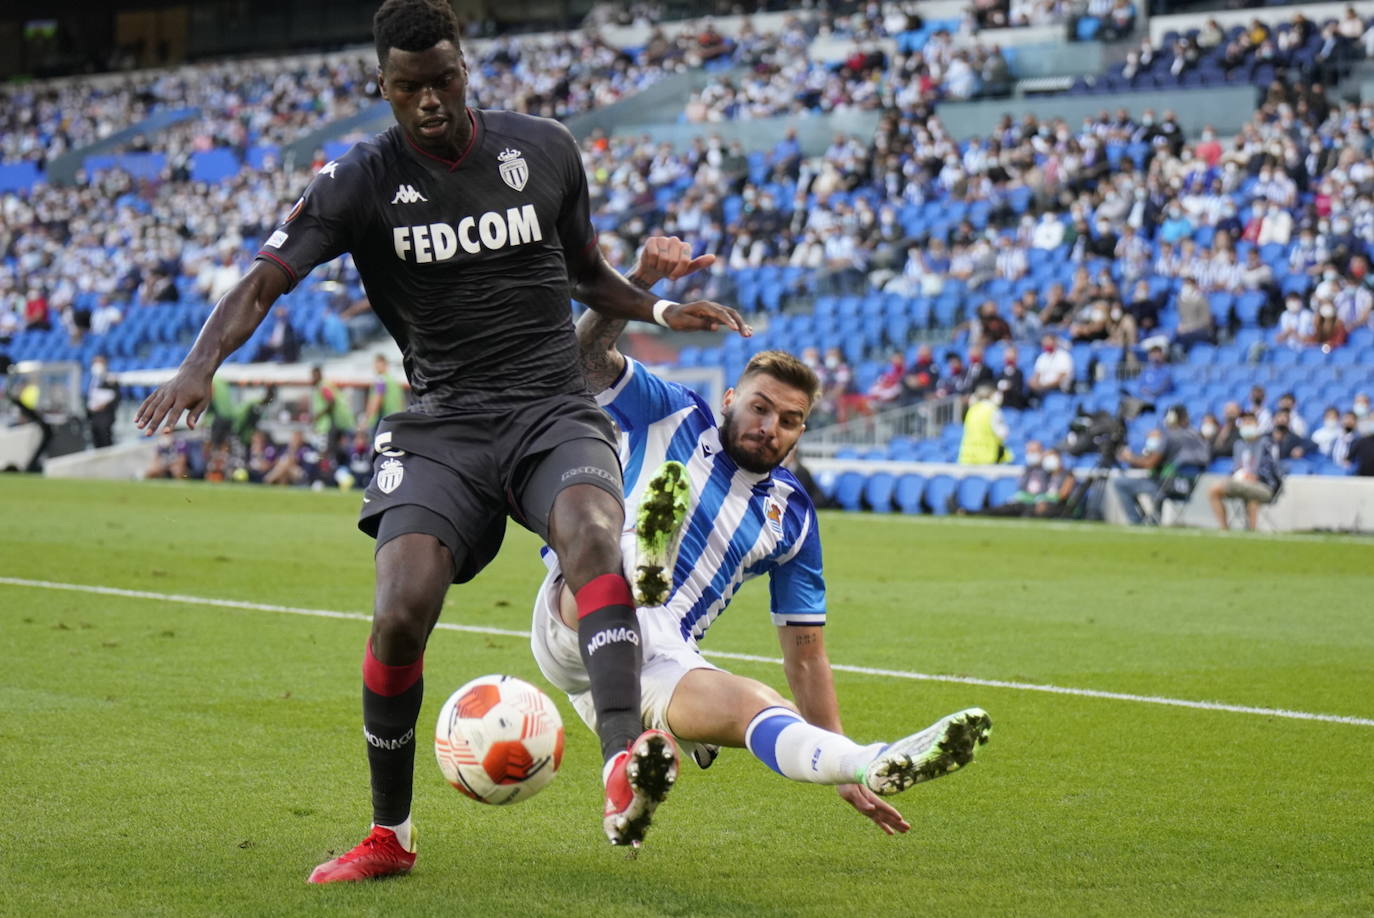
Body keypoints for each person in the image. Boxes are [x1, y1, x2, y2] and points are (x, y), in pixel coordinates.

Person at [133, 0, 749, 882]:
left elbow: (583, 272)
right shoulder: (356, 181)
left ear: (466, 70)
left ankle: (624, 761)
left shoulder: (542, 148)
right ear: (381, 87)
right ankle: (391, 836)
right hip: (443, 426)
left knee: (591, 535)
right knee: (399, 610)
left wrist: (655, 307)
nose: (430, 101)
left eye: (445, 80)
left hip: (549, 408)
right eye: (409, 87)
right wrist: (200, 364)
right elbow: (263, 282)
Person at [533, 253, 991, 839]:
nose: (771, 425)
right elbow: (579, 360)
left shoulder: (794, 518)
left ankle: (872, 760)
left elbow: (806, 654)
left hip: (662, 651)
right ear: (729, 399)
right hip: (580, 608)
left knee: (756, 702)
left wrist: (841, 760)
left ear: (801, 431)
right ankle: (646, 546)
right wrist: (642, 284)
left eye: (790, 420)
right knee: (611, 558)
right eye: (760, 406)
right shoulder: (674, 413)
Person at [1111, 405, 1210, 525]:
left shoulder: (1169, 435)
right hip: (1189, 486)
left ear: (1171, 418)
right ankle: (1150, 518)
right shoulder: (1197, 435)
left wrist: (1130, 458)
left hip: (1166, 485)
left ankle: (1136, 521)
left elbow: (1150, 463)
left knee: (1119, 483)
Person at [1207, 411, 1282, 530]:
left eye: (1249, 422)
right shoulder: (1239, 445)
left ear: (1257, 424)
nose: (1246, 425)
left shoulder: (1267, 443)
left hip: (1264, 486)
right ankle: (1224, 529)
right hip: (1241, 484)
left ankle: (1252, 531)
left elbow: (1274, 469)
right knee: (1214, 491)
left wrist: (1256, 477)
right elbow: (1236, 468)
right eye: (1244, 423)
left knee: (1253, 496)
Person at [957, 383, 1010, 465]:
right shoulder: (993, 410)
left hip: (968, 457)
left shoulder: (972, 410)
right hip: (987, 457)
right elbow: (1002, 433)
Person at [365, 353, 408, 433]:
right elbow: (402, 401)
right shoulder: (393, 380)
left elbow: (377, 399)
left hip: (385, 420)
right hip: (397, 419)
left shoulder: (380, 379)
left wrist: (367, 419)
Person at [85, 355, 119, 449]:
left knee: (105, 442)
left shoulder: (110, 379)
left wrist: (104, 405)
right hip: (94, 416)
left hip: (105, 417)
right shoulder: (92, 380)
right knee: (96, 441)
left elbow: (115, 397)